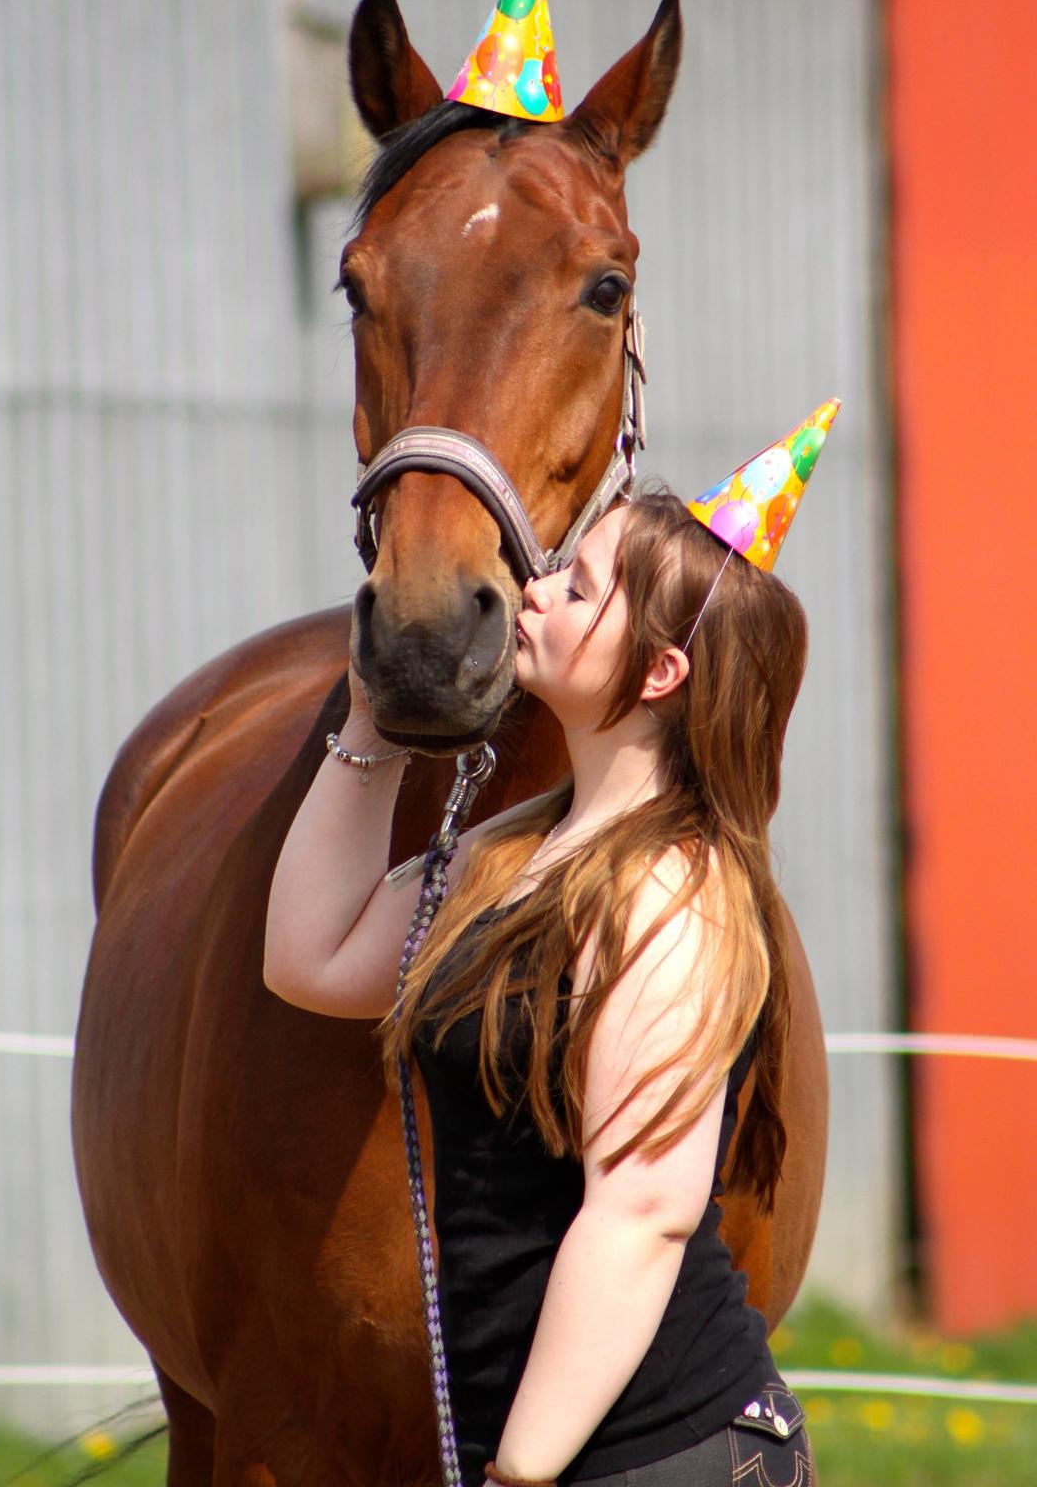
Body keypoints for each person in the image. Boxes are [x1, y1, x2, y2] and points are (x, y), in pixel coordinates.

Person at [264, 490, 817, 1486]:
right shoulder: (526, 846)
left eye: (582, 582)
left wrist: (522, 1467)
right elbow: (312, 959)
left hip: (663, 1455)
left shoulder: (673, 895)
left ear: (661, 669)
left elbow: (643, 1212)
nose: (537, 585)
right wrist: (374, 715)